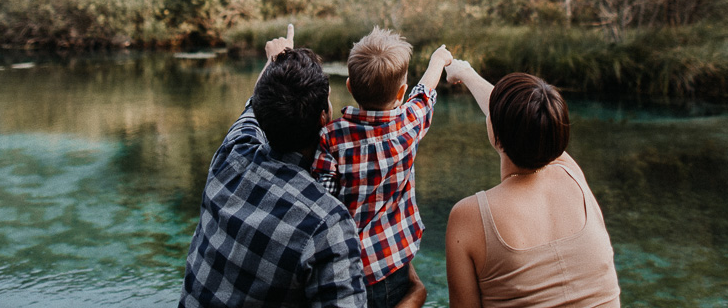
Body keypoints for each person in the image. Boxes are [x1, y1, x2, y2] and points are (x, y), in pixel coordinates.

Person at [177, 26, 427, 308]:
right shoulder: (326, 223)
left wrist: (276, 63)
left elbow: (254, 107)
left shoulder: (232, 155)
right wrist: (414, 299)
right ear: (324, 117)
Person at [443, 64, 621, 308]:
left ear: (494, 131)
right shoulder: (571, 174)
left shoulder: (470, 215)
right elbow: (526, 120)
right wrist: (467, 74)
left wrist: (466, 74)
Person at [311, 27, 453, 308]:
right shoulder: (409, 125)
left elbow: (321, 204)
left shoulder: (330, 137)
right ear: (401, 91)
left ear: (349, 86)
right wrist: (438, 60)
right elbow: (424, 94)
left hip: (347, 272)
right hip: (395, 264)